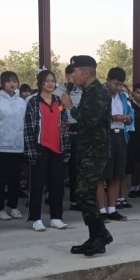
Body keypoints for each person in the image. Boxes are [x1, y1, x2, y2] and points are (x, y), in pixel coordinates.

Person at [59, 55, 112, 256]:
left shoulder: (99, 92)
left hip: (95, 151)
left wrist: (70, 107)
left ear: (87, 72)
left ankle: (101, 234)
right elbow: (87, 122)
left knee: (84, 192)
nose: (72, 75)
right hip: (87, 148)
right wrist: (71, 126)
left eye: (75, 71)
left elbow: (90, 121)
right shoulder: (89, 92)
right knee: (84, 193)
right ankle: (96, 236)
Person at [24, 69, 71, 232]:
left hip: (57, 148)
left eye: (52, 81)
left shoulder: (58, 101)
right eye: (47, 81)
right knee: (37, 185)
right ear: (40, 83)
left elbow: (65, 125)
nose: (50, 84)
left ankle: (56, 217)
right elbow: (28, 127)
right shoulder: (33, 102)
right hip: (40, 148)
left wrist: (67, 149)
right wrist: (30, 150)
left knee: (57, 185)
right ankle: (36, 218)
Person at [0, 70, 27, 222]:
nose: (12, 84)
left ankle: (13, 206)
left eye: (15, 81)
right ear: (2, 84)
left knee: (15, 179)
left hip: (17, 146)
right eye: (8, 81)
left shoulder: (21, 102)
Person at [102, 68, 134, 220]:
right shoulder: (100, 95)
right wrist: (111, 118)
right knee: (102, 176)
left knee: (116, 175)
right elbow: (95, 116)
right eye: (115, 83)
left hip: (120, 136)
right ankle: (101, 211)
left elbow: (131, 114)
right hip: (104, 136)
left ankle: (112, 209)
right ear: (108, 80)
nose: (118, 87)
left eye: (121, 84)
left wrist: (128, 119)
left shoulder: (123, 96)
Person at [55, 64, 84, 210]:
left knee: (76, 169)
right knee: (58, 168)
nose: (74, 79)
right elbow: (56, 111)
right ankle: (53, 197)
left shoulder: (83, 92)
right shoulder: (57, 92)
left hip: (77, 133)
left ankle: (75, 199)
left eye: (76, 75)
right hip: (60, 133)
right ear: (66, 76)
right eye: (71, 76)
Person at [126, 82, 140, 200]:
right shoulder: (129, 105)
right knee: (132, 165)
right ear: (133, 93)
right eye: (138, 92)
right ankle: (130, 189)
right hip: (131, 139)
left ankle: (137, 187)